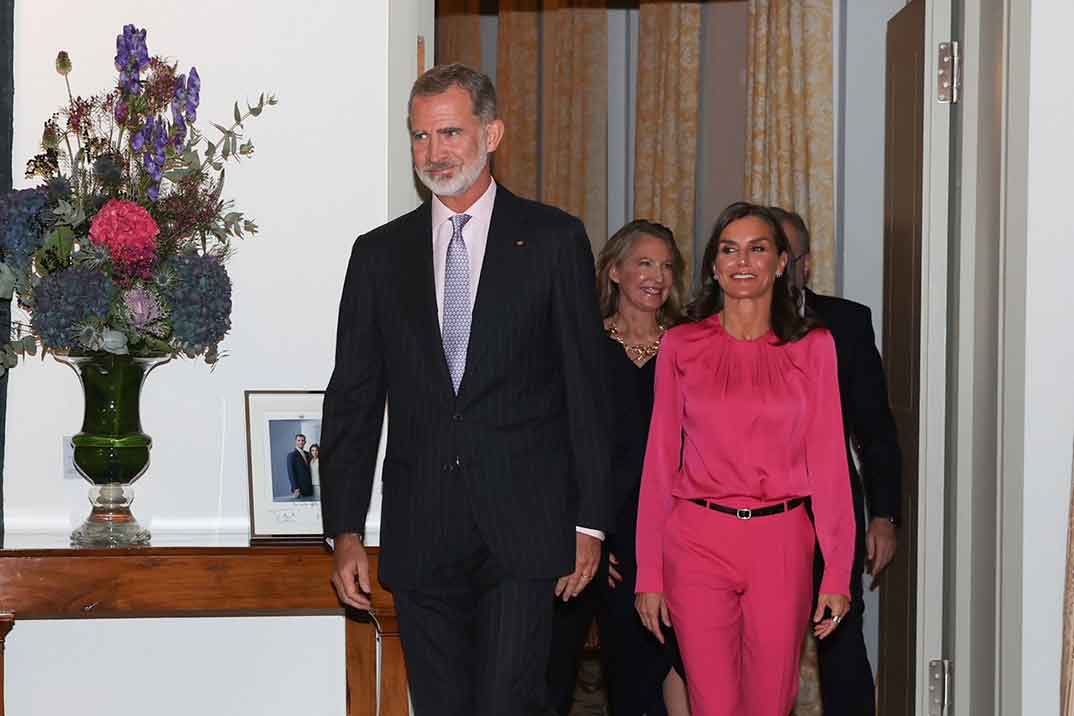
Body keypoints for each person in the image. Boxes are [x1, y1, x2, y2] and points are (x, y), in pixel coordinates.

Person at [319, 63, 611, 716]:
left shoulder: (553, 239)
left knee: (507, 703)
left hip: (525, 532)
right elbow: (354, 401)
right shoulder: (378, 255)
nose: (433, 152)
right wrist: (342, 531)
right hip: (422, 533)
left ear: (493, 132)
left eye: (449, 133)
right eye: (419, 137)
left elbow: (587, 393)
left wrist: (589, 522)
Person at [634, 202, 856, 716]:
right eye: (728, 249)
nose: (742, 261)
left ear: (782, 262)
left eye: (758, 248)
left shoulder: (814, 348)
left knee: (770, 703)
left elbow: (829, 464)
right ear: (713, 265)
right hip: (696, 543)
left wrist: (838, 572)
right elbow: (659, 463)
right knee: (712, 703)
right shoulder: (682, 345)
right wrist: (650, 572)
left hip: (781, 543)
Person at [547, 220, 691, 716]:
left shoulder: (689, 348)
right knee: (559, 678)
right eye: (645, 263)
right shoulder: (581, 344)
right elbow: (555, 445)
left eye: (667, 265)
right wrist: (585, 533)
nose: (658, 276)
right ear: (614, 272)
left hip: (669, 538)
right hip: (589, 537)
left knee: (663, 679)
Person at [770, 206, 902, 716]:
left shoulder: (847, 322)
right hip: (753, 517)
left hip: (833, 513)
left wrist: (884, 516)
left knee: (842, 646)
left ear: (803, 264)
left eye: (786, 256)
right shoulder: (723, 328)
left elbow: (876, 429)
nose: (777, 269)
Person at [286, 433, 313, 498]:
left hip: (309, 488)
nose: (301, 442)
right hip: (299, 489)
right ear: (295, 442)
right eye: (299, 440)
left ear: (305, 442)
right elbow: (291, 473)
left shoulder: (308, 454)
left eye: (302, 440)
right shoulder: (291, 455)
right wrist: (296, 488)